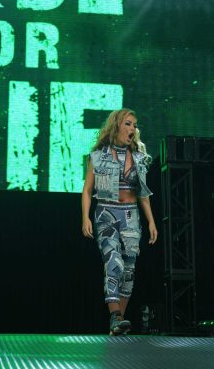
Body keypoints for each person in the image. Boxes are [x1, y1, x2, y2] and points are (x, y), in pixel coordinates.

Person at [81, 109, 158, 335]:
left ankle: (118, 322)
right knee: (114, 262)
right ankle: (115, 316)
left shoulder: (139, 157)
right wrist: (85, 217)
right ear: (116, 126)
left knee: (129, 270)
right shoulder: (98, 156)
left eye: (134, 125)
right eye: (128, 123)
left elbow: (143, 194)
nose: (132, 128)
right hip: (107, 213)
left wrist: (151, 221)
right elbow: (87, 190)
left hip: (131, 215)